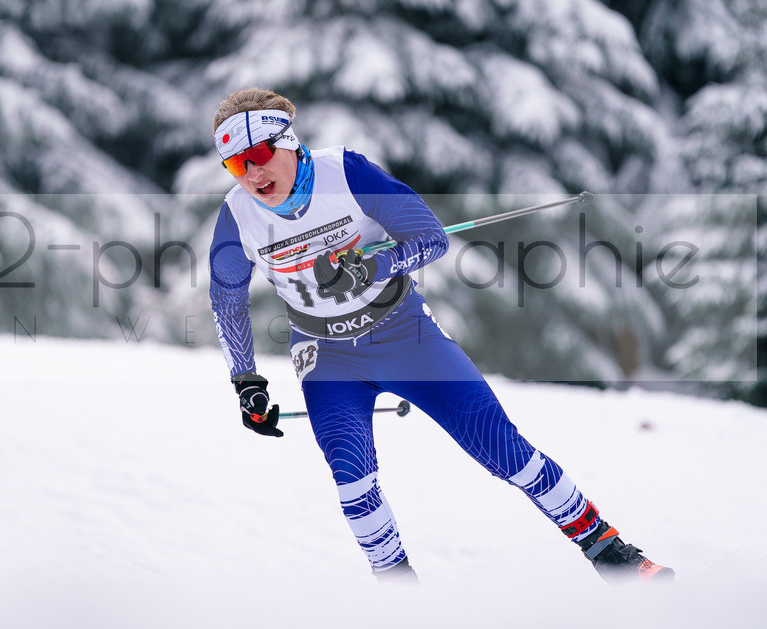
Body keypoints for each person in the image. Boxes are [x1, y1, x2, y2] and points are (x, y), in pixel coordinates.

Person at [207, 87, 673, 584]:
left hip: (404, 333)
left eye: (258, 156)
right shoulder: (238, 215)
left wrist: (372, 266)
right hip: (327, 356)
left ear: (289, 142)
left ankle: (609, 551)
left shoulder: (346, 172)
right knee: (352, 479)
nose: (254, 176)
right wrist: (246, 381)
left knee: (501, 447)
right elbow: (226, 299)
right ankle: (404, 600)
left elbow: (431, 238)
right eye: (237, 166)